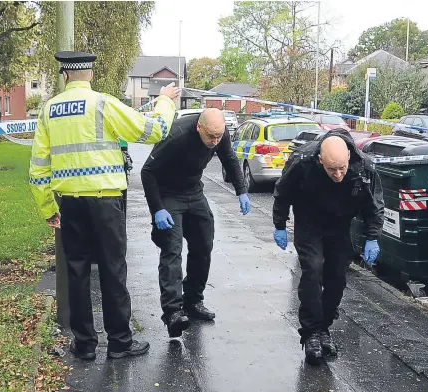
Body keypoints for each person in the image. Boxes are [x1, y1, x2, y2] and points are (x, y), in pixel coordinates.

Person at [29, 51, 180, 360]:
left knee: (77, 271)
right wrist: (165, 101)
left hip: (68, 203)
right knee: (113, 270)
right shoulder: (103, 104)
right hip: (105, 202)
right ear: (91, 75)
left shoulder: (48, 110)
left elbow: (38, 168)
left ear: (65, 75)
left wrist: (48, 208)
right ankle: (120, 343)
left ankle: (84, 344)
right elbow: (153, 131)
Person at [272, 128, 384, 365]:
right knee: (313, 270)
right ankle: (311, 332)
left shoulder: (363, 167)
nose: (338, 174)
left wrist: (372, 237)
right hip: (309, 223)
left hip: (340, 225)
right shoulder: (302, 162)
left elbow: (374, 205)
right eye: (332, 169)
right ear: (320, 159)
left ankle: (324, 327)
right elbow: (283, 192)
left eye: (342, 168)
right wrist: (280, 224)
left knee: (337, 277)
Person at [141, 108, 251, 338]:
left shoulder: (219, 132)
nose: (215, 141)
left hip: (194, 191)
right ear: (199, 127)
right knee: (172, 250)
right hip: (168, 193)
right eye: (211, 136)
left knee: (203, 245)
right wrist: (157, 209)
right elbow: (147, 171)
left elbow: (229, 158)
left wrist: (241, 191)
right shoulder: (177, 135)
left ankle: (193, 300)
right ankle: (172, 312)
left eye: (218, 136)